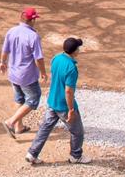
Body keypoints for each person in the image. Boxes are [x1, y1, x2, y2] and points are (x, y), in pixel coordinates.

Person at [26, 37, 90, 165]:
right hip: (64, 106)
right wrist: (71, 110)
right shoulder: (72, 68)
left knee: (45, 128)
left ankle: (32, 153)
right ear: (75, 51)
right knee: (77, 132)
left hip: (52, 102)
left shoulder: (56, 58)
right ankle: (75, 156)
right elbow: (68, 91)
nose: (79, 50)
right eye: (78, 48)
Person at [0, 7, 48, 136]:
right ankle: (11, 122)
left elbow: (5, 49)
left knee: (19, 99)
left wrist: (3, 62)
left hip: (13, 73)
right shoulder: (33, 36)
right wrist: (43, 72)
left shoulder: (12, 31)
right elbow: (38, 58)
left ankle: (18, 127)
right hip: (26, 75)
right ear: (32, 20)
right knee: (33, 98)